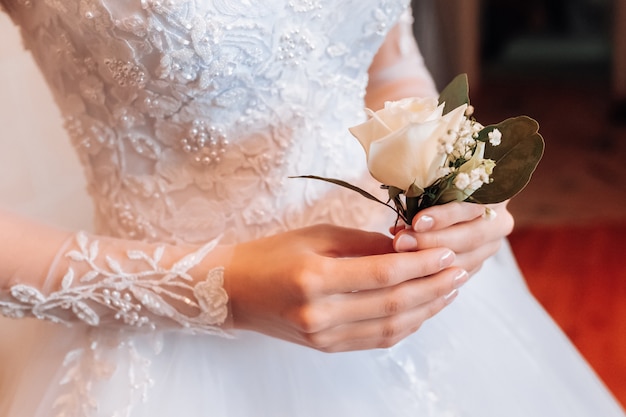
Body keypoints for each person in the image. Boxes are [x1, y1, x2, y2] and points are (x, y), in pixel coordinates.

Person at [0, 1, 623, 416]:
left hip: (403, 306)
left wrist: (447, 188)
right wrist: (223, 288)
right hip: (161, 346)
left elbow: (389, 67)